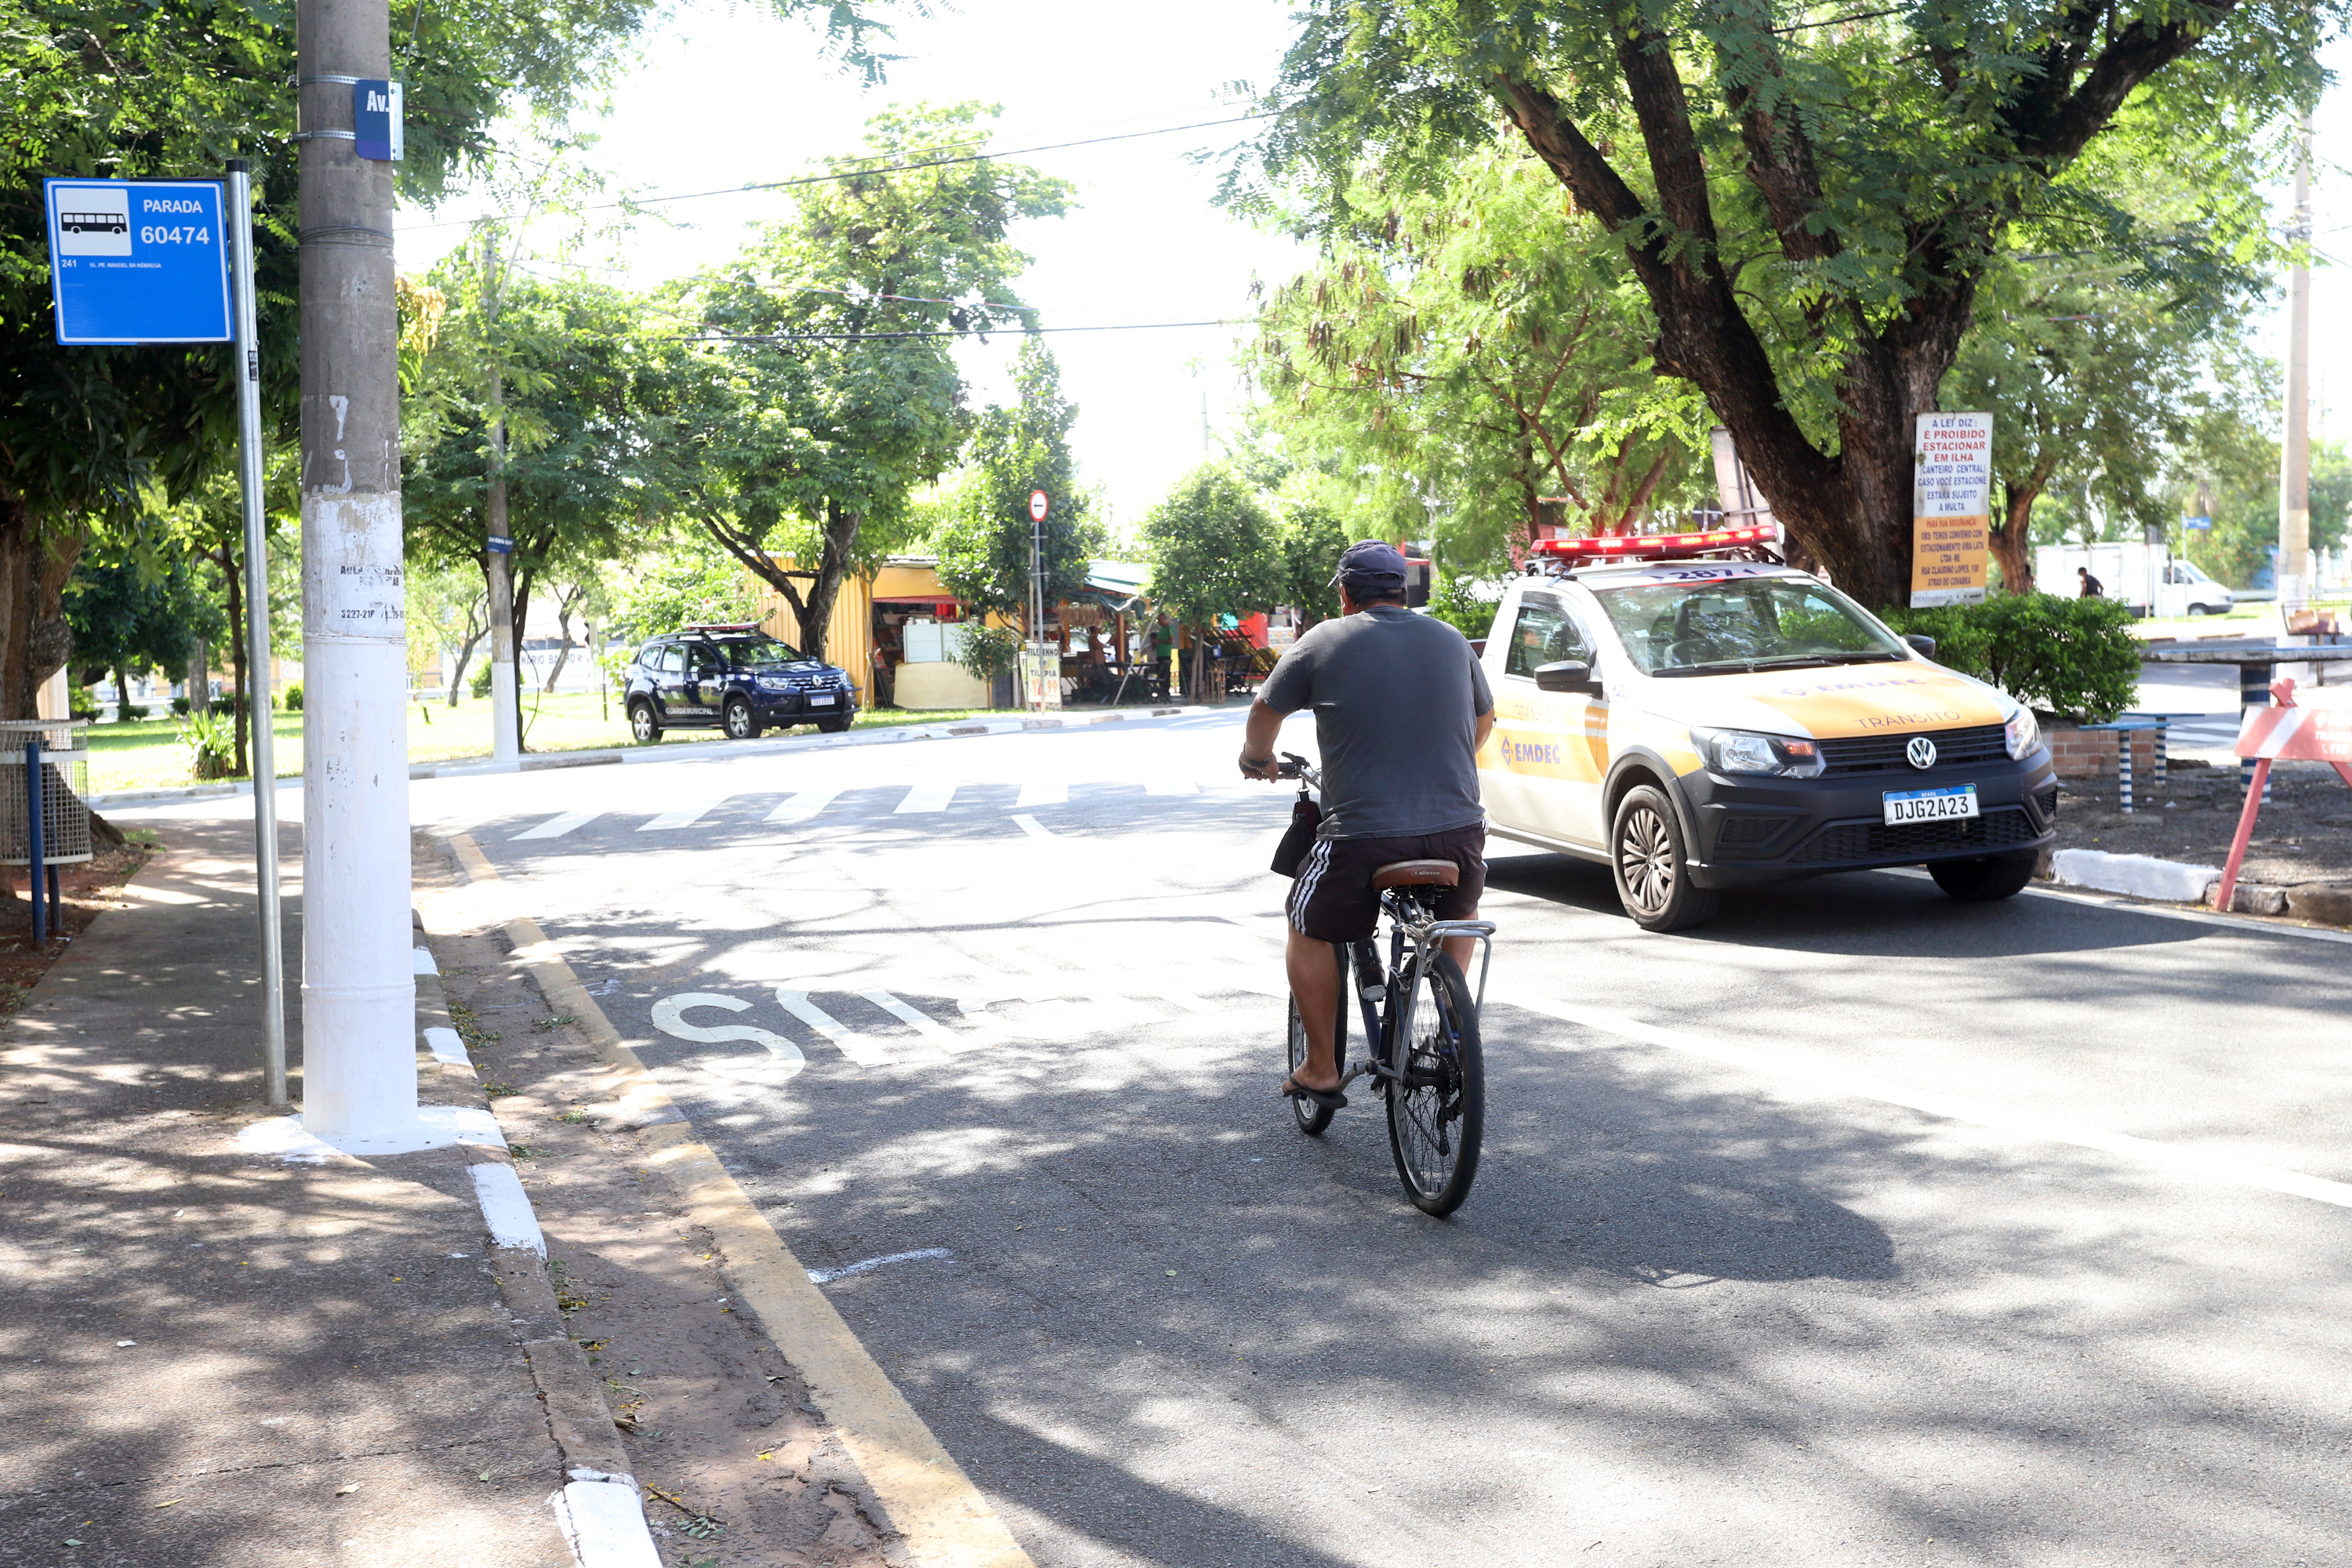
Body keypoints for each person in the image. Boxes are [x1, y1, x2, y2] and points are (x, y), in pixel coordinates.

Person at [1238, 541, 1496, 1108]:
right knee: (1460, 911)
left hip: (1362, 837)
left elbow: (1264, 713)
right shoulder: (1451, 640)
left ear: (1345, 594)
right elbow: (1485, 718)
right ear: (1402, 590)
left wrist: (1258, 759)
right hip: (1458, 832)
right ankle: (1453, 1026)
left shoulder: (1324, 640)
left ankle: (1322, 1067)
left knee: (1305, 921)